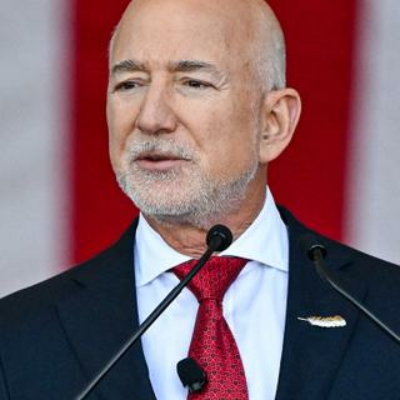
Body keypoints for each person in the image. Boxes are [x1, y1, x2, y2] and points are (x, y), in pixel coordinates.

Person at [1, 0, 400, 399]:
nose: (151, 118)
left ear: (272, 124)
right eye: (130, 84)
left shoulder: (388, 312)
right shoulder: (16, 339)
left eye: (192, 82)